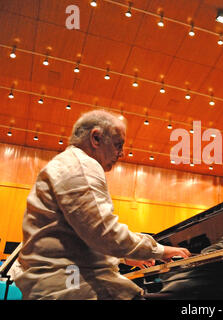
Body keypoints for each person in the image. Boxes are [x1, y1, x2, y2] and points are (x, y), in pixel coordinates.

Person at [14, 110, 190, 300]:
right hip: (70, 287)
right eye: (118, 145)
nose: (121, 153)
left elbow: (78, 240)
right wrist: (160, 250)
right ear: (96, 138)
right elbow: (105, 234)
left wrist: (122, 258)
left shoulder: (68, 163)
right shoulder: (82, 166)